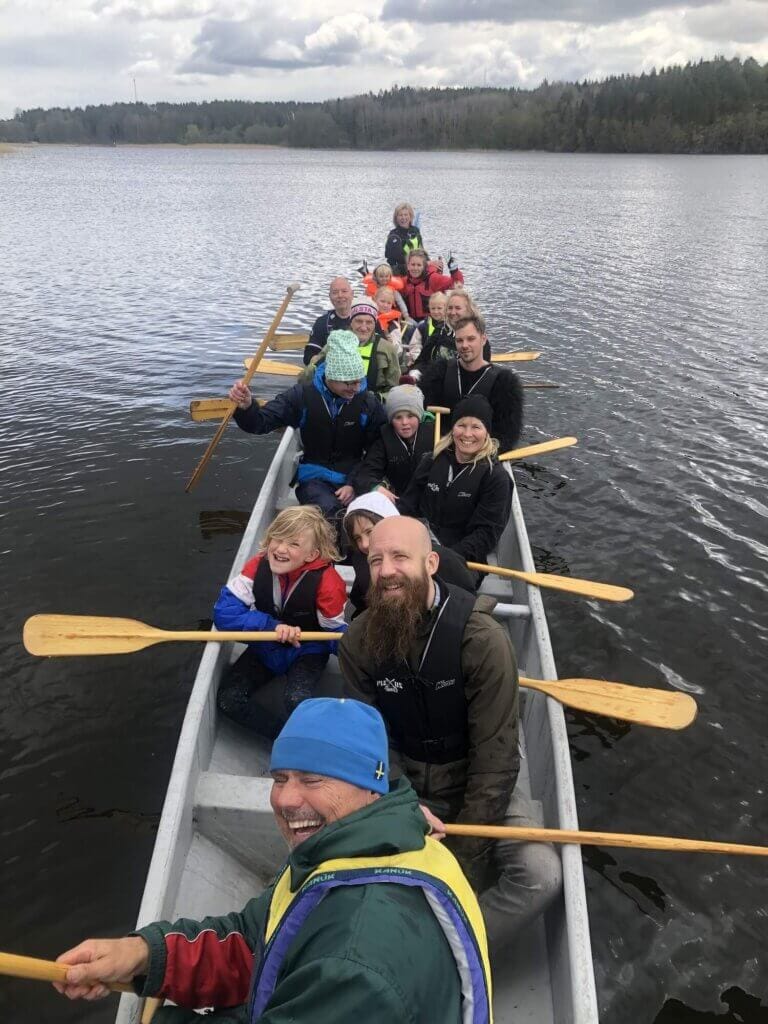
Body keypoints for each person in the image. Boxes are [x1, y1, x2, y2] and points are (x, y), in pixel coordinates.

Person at [54, 699, 493, 1024]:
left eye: (312, 779)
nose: (285, 799)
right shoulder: (358, 847)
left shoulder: (356, 962)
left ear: (370, 789)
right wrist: (141, 956)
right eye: (279, 778)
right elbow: (255, 939)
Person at [339, 518, 562, 958]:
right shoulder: (358, 642)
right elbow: (370, 740)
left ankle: (446, 954)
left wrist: (463, 860)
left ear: (431, 563)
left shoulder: (482, 641)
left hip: (478, 779)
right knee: (338, 859)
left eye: (400, 557)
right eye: (376, 559)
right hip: (400, 781)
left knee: (541, 876)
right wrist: (402, 802)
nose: (385, 571)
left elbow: (496, 759)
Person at [214, 506, 347, 738]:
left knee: (296, 700)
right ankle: (283, 738)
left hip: (307, 650)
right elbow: (225, 613)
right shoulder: (257, 566)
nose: (280, 549)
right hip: (266, 645)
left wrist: (358, 656)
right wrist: (271, 627)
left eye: (293, 544)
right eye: (278, 538)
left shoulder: (329, 584)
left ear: (312, 555)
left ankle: (321, 743)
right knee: (229, 699)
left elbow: (334, 634)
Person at [229, 330, 387, 523]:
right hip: (314, 477)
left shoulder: (367, 403)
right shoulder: (301, 397)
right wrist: (246, 407)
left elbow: (377, 449)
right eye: (349, 382)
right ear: (331, 375)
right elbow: (259, 423)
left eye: (358, 381)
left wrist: (355, 483)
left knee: (371, 517)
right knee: (330, 513)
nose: (356, 388)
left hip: (354, 475)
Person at [397, 396, 512, 575]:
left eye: (476, 427)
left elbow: (486, 535)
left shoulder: (496, 478)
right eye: (461, 425)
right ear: (453, 428)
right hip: (420, 546)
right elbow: (407, 505)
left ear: (487, 432)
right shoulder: (431, 460)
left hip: (464, 558)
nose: (467, 434)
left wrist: (445, 557)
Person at [342, 491, 477, 617]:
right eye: (357, 538)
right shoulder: (361, 558)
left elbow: (464, 603)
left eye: (370, 532)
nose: (364, 544)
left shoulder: (445, 559)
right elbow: (361, 599)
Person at [419, 314, 524, 452]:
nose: (464, 345)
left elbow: (506, 435)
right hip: (442, 448)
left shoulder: (504, 384)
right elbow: (424, 414)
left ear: (483, 339)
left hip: (479, 453)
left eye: (471, 339)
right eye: (459, 340)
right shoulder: (439, 373)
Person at [349, 384, 433, 502]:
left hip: (430, 503)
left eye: (410, 416)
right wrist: (376, 487)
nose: (404, 422)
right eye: (398, 417)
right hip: (398, 501)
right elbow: (365, 475)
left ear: (420, 416)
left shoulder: (436, 436)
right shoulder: (384, 440)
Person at [302, 301, 400, 397]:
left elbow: (394, 388)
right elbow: (308, 377)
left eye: (369, 322)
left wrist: (379, 399)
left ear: (375, 325)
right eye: (359, 321)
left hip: (372, 404)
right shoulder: (335, 342)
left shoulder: (387, 349)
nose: (363, 328)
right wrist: (313, 365)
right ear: (351, 322)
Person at [402, 248, 464, 322]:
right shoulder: (404, 281)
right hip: (410, 322)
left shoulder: (433, 278)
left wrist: (454, 270)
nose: (415, 268)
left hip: (431, 322)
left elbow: (457, 283)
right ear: (408, 266)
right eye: (413, 265)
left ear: (424, 267)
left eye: (419, 265)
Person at [302, 277, 353, 365]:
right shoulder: (322, 323)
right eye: (335, 292)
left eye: (344, 291)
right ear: (330, 297)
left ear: (352, 294)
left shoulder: (366, 320)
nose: (340, 295)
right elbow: (308, 357)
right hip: (330, 372)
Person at [406, 290, 455, 374]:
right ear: (429, 308)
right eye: (433, 308)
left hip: (445, 363)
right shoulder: (422, 326)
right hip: (425, 362)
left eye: (439, 308)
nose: (436, 311)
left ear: (446, 308)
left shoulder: (452, 326)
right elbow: (415, 345)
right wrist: (417, 357)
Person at [445, 288, 492, 360]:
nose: (453, 312)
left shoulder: (479, 339)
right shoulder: (443, 331)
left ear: (469, 310)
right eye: (450, 308)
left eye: (458, 308)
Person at [384, 202, 423, 275]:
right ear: (396, 218)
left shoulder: (415, 231)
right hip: (399, 269)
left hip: (415, 266)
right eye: (400, 215)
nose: (403, 218)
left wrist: (429, 262)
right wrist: (415, 265)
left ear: (410, 216)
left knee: (434, 266)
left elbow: (422, 250)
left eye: (406, 215)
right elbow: (400, 258)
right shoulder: (393, 236)